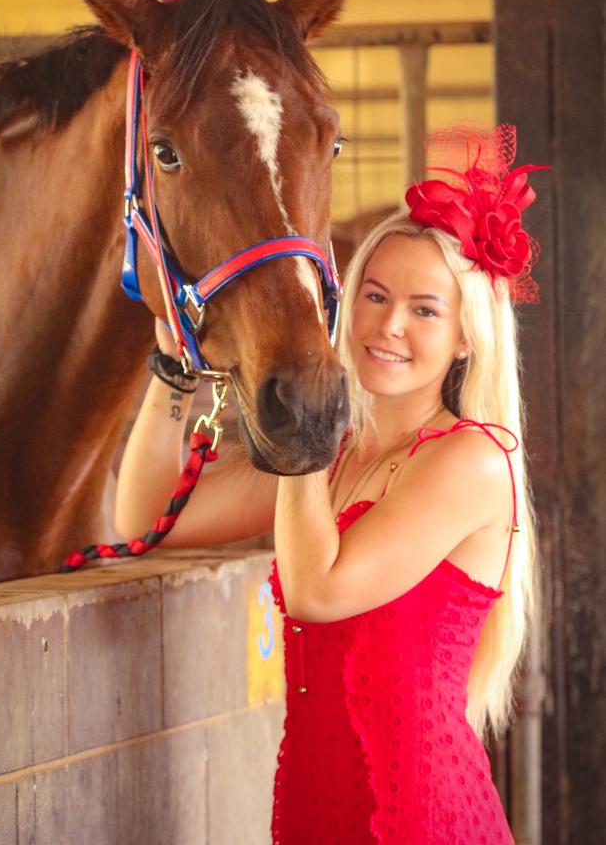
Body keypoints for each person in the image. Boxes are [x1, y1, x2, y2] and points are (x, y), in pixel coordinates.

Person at [115, 124, 544, 844]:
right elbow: (147, 516)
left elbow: (319, 590)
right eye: (374, 296)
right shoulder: (336, 457)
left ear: (467, 337)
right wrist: (174, 373)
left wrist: (308, 411)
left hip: (416, 815)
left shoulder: (473, 459)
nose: (389, 326)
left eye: (425, 309)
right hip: (313, 804)